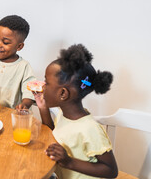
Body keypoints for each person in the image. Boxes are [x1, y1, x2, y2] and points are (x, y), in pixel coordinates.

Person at [34, 44, 118, 179]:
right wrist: (43, 108)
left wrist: (69, 162)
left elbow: (111, 170)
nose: (42, 85)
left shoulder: (89, 129)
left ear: (63, 94)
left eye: (47, 82)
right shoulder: (64, 114)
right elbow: (54, 136)